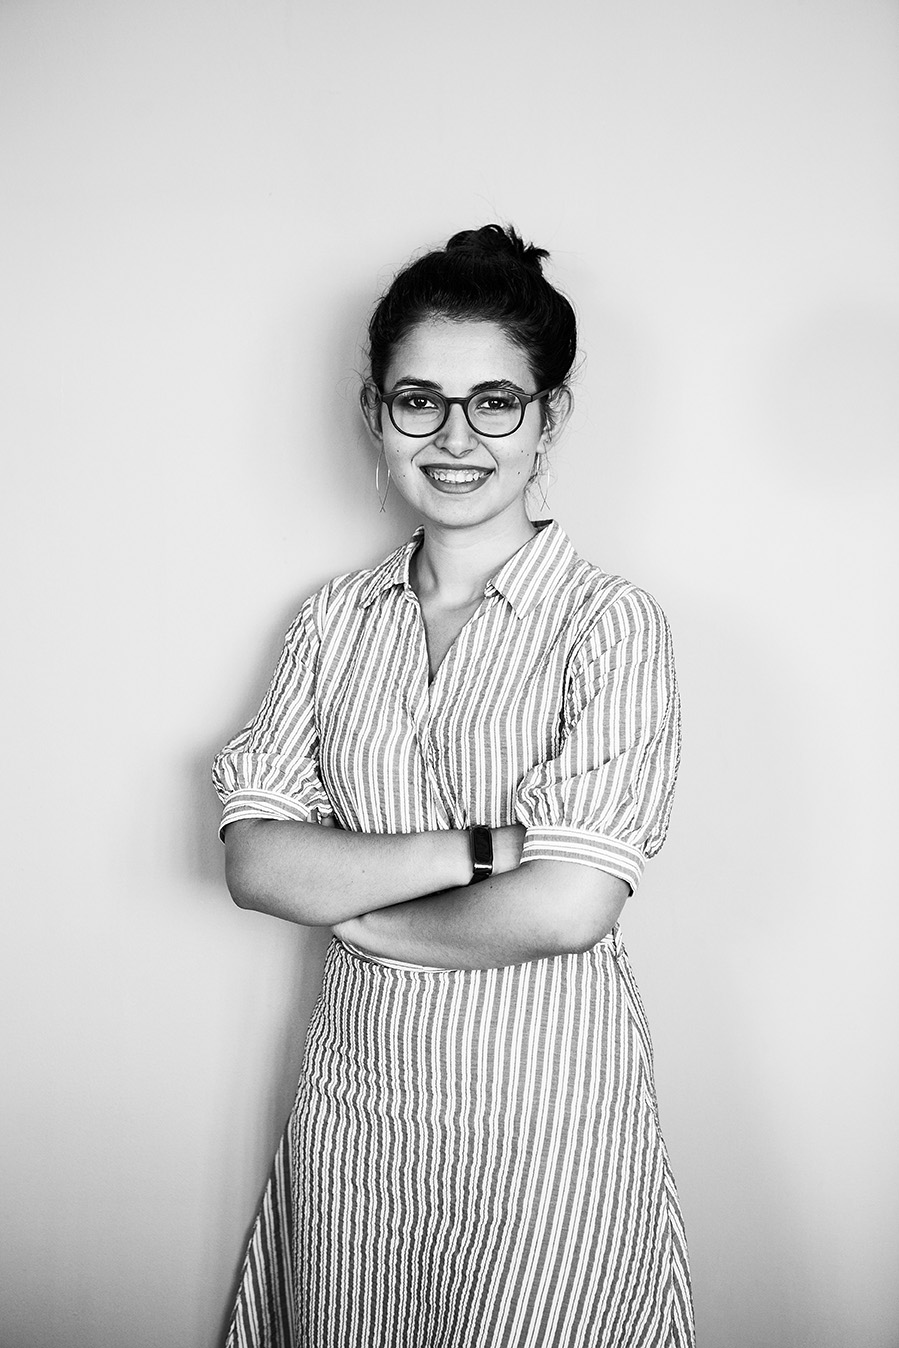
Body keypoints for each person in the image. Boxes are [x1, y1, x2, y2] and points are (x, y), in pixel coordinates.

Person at [213, 224, 695, 1348]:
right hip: (358, 1110)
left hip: (547, 1117)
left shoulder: (610, 624)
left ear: (548, 418)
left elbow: (570, 907)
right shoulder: (332, 621)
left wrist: (363, 915)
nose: (456, 437)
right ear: (373, 413)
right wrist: (489, 849)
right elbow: (257, 862)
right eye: (419, 400)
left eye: (496, 402)